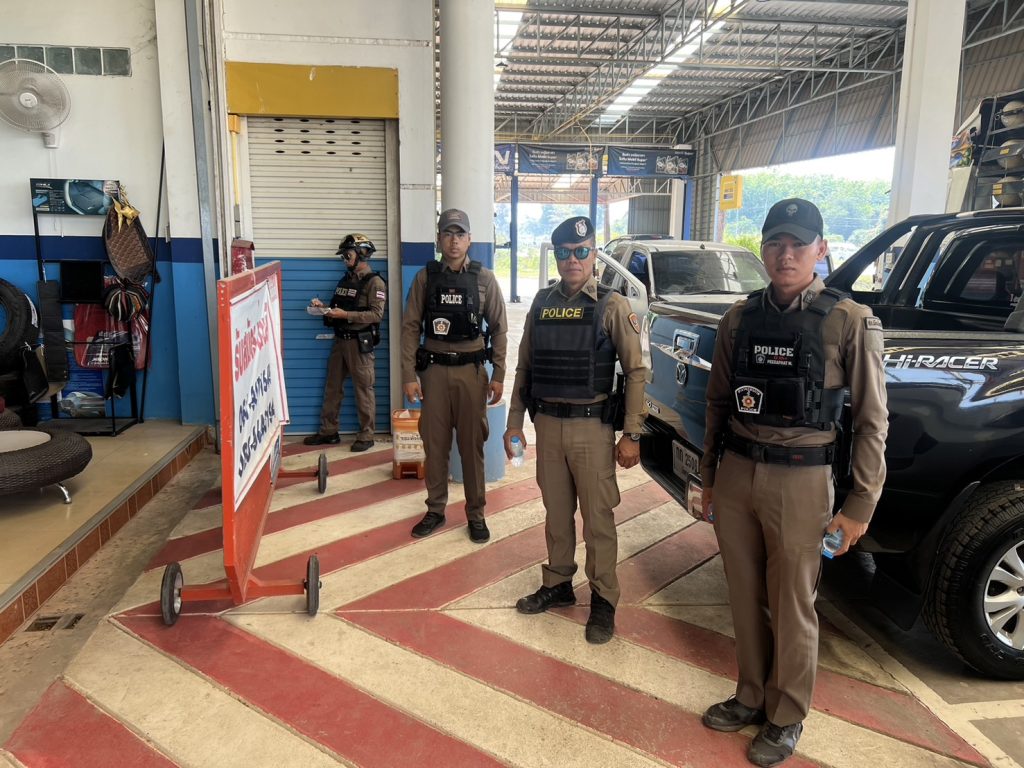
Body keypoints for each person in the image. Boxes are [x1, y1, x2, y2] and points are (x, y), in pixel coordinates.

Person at [699, 198, 888, 766]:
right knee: (744, 593)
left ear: (820, 249)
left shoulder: (848, 320)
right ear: (763, 249)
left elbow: (872, 420)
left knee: (792, 604)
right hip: (737, 473)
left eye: (798, 244)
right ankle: (750, 694)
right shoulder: (738, 319)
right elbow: (717, 404)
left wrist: (860, 504)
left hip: (803, 480)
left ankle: (786, 715)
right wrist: (709, 478)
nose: (786, 254)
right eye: (776, 243)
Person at [504, 216, 646, 645]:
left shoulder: (612, 305)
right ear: (556, 256)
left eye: (581, 251)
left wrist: (632, 434)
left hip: (592, 428)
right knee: (556, 512)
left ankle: (603, 599)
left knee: (598, 518)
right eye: (564, 252)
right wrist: (514, 424)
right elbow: (525, 367)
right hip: (547, 425)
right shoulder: (541, 302)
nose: (573, 260)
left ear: (594, 254)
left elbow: (636, 372)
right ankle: (558, 583)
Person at [400, 209, 508, 543]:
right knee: (435, 446)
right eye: (448, 234)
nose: (454, 241)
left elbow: (500, 328)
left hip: (471, 374)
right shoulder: (425, 278)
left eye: (460, 234)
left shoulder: (484, 279)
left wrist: (498, 373)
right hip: (433, 374)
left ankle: (476, 514)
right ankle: (435, 509)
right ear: (439, 239)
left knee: (472, 446)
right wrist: (408, 375)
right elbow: (410, 328)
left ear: (470, 240)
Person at [304, 233, 386, 451]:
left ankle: (366, 435)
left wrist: (346, 315)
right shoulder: (345, 280)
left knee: (363, 389)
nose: (344, 259)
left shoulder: (375, 283)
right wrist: (324, 308)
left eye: (347, 255)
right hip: (340, 342)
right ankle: (328, 432)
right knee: (332, 388)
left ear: (362, 254)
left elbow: (376, 315)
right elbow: (337, 307)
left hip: (359, 344)